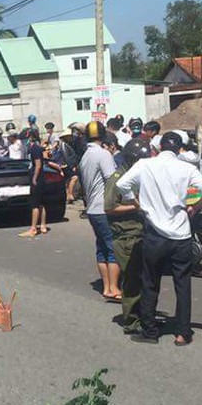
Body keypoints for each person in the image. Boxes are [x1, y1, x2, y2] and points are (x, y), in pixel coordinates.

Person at [117, 131, 202, 345]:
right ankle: (182, 332)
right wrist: (195, 208)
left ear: (159, 146)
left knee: (150, 282)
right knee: (183, 284)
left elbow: (121, 185)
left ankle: (150, 331)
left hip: (154, 234)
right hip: (181, 235)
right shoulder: (187, 168)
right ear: (180, 149)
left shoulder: (145, 165)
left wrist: (137, 204)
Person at [105, 137, 153, 335]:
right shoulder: (118, 178)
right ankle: (132, 320)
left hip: (142, 234)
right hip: (126, 236)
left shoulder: (138, 176)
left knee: (144, 279)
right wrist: (135, 206)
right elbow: (109, 207)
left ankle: (145, 315)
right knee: (132, 280)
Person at [78, 121, 122, 302]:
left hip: (92, 209)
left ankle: (106, 286)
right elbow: (112, 182)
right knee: (113, 248)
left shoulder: (85, 156)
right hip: (104, 208)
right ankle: (113, 288)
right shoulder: (103, 154)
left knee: (102, 248)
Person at [19, 127, 64, 237]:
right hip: (40, 178)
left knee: (34, 204)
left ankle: (33, 228)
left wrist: (34, 178)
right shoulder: (37, 148)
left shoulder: (34, 148)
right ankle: (43, 225)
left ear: (30, 137)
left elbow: (38, 164)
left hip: (38, 179)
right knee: (41, 203)